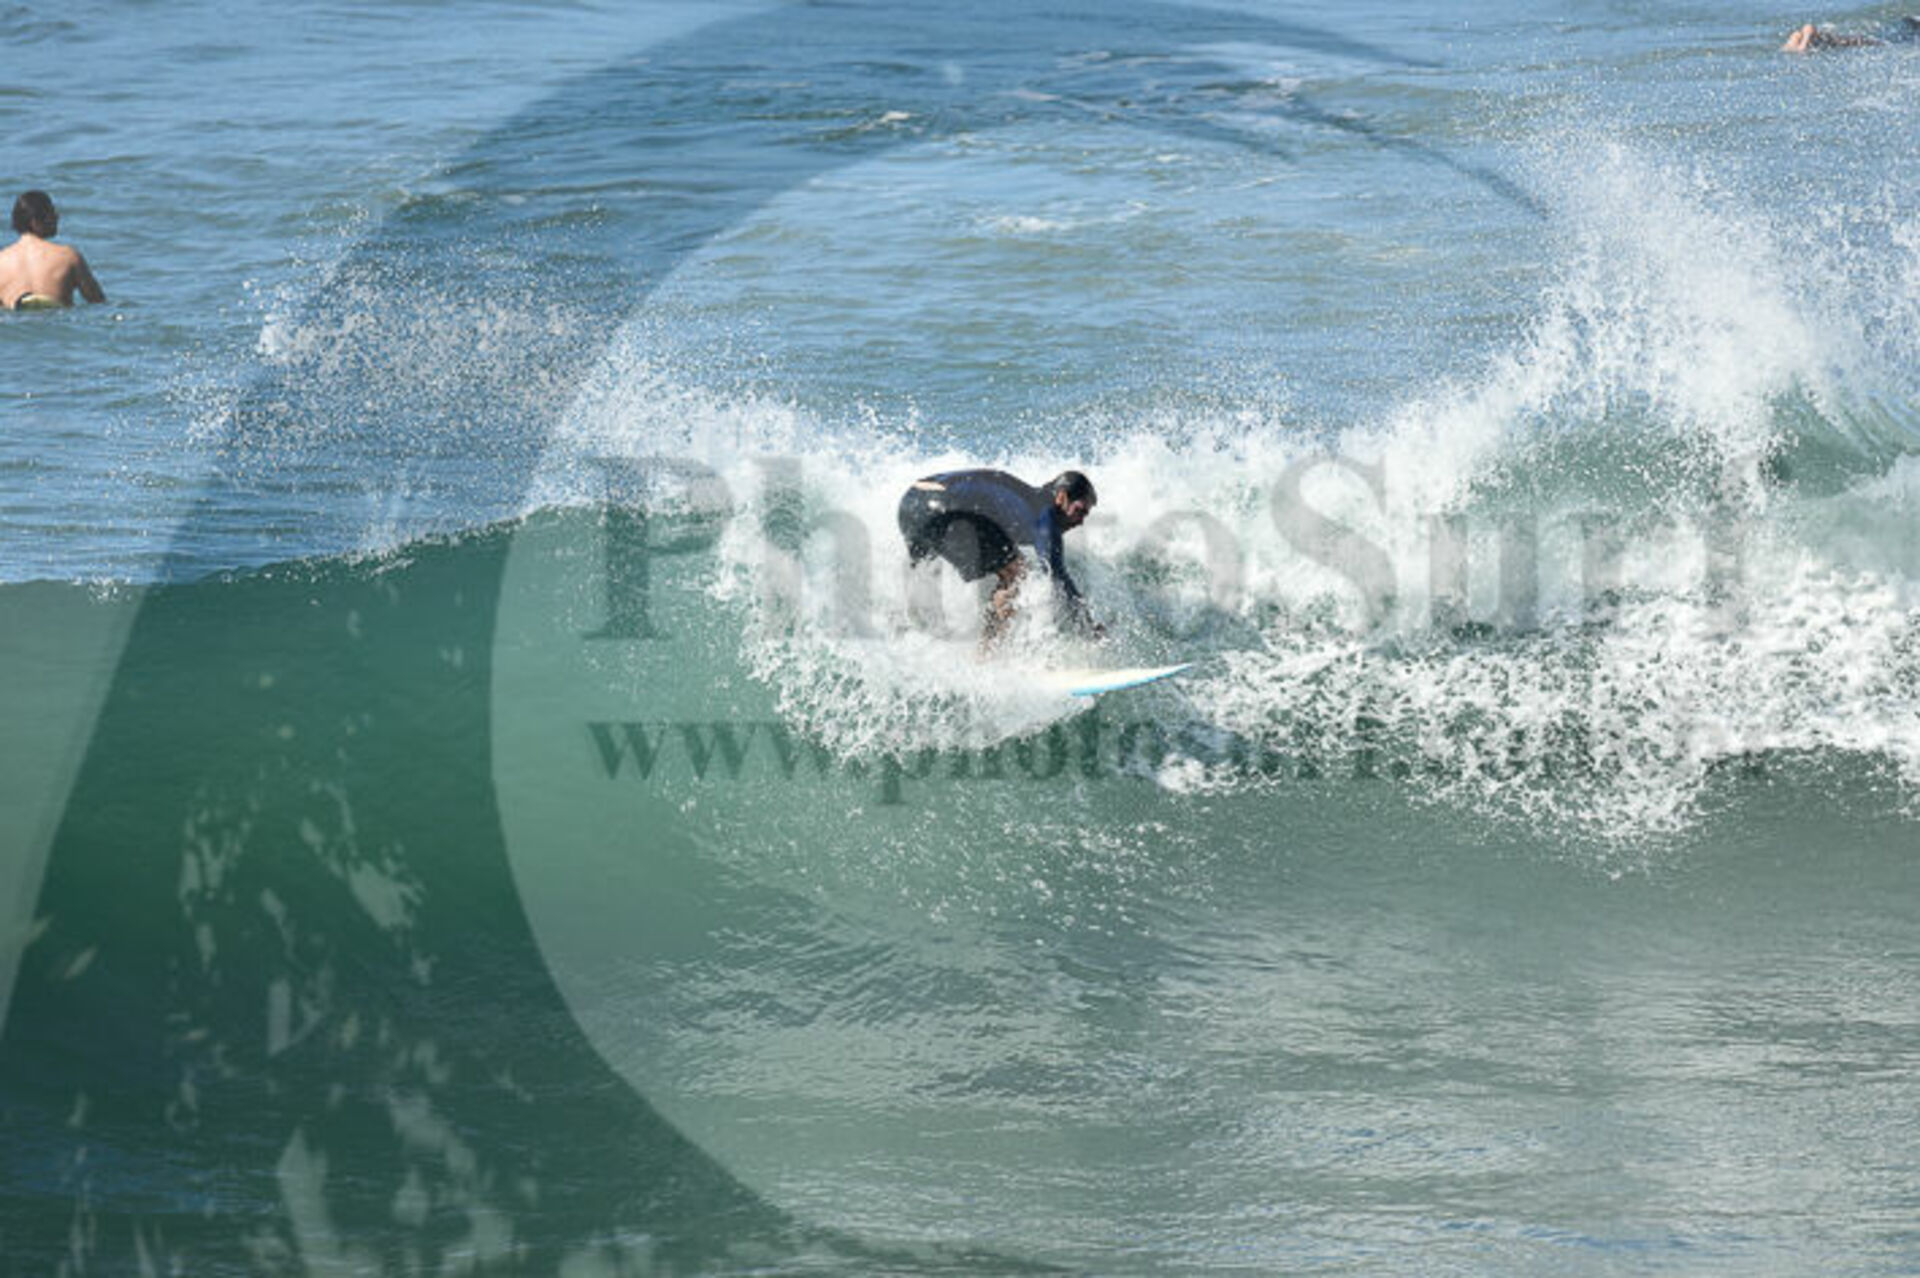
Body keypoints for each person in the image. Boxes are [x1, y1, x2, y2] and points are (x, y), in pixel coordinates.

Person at [897, 468, 1102, 646]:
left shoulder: (1022, 495)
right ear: (1061, 497)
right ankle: (986, 658)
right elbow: (1057, 576)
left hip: (910, 504)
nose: (1080, 521)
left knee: (924, 575)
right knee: (1016, 574)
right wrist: (1089, 627)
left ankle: (903, 633)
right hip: (942, 511)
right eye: (1079, 511)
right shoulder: (1044, 517)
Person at [1, 190, 106, 310]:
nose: (57, 217)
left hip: (16, 321)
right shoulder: (68, 256)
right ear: (34, 221)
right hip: (59, 318)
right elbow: (98, 302)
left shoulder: (1, 261)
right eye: (51, 213)